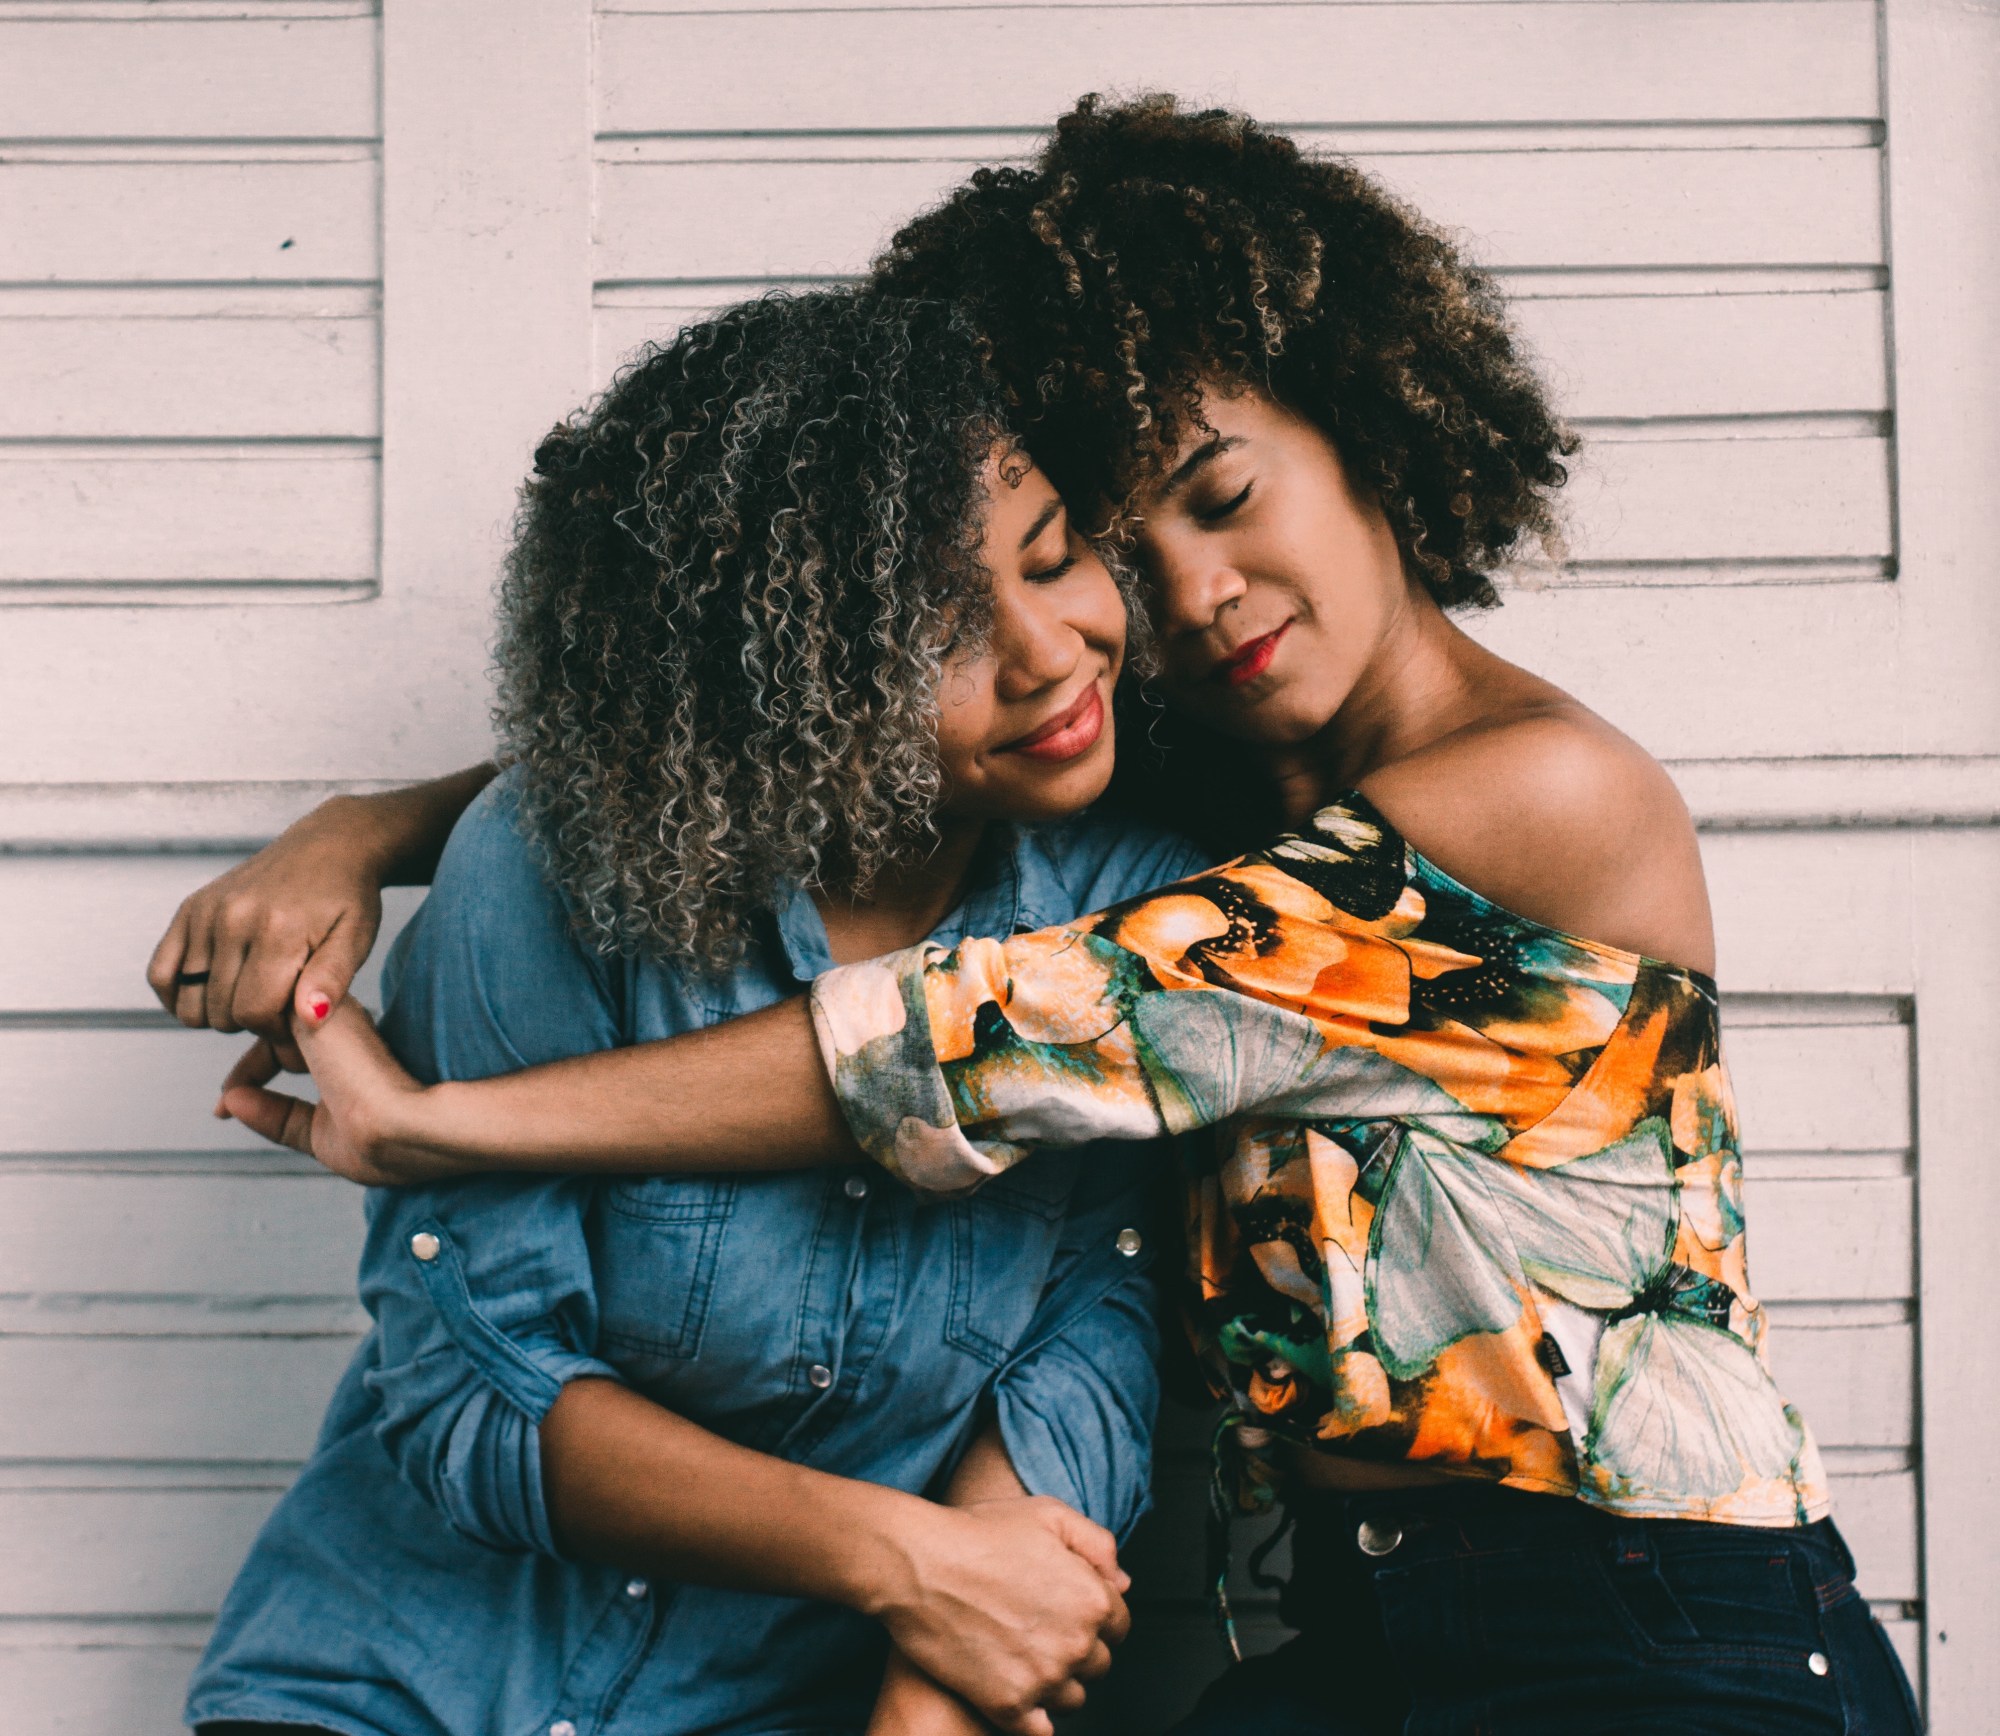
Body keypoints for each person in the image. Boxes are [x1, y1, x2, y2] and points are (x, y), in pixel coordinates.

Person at [164, 98, 1922, 1734]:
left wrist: (442, 1127)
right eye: (1124, 548)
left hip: (1658, 1624)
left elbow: (1001, 1046)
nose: (1198, 595)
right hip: (1363, 1639)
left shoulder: (1534, 792)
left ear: (1367, 413)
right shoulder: (1225, 819)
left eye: (1226, 498)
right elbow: (746, 727)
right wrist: (368, 825)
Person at [178, 289, 1220, 1736]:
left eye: (1054, 560)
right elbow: (475, 1395)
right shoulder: (550, 879)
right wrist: (904, 1563)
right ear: (779, 680)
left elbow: (1086, 1348)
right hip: (391, 1686)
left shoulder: (1153, 917)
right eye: (928, 640)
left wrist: (940, 1675)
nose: (1048, 653)